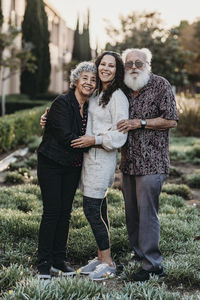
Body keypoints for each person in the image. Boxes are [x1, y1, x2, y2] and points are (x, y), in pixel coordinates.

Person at [117, 48, 178, 282]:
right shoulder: (122, 87)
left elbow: (171, 119)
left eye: (139, 63)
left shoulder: (161, 84)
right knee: (132, 214)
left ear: (147, 65)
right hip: (128, 162)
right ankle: (139, 254)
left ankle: (153, 265)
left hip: (153, 162)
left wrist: (139, 123)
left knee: (147, 214)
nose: (133, 67)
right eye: (129, 63)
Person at [70, 51, 130, 280]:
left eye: (111, 65)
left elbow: (120, 134)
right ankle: (100, 257)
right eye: (102, 64)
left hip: (102, 159)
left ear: (117, 70)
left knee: (92, 210)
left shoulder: (118, 97)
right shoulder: (97, 94)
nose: (105, 68)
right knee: (100, 209)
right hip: (88, 159)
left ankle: (109, 263)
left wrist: (94, 139)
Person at [37, 61, 97, 279]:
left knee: (65, 214)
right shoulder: (62, 102)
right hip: (51, 164)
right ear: (76, 81)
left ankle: (59, 260)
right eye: (85, 78)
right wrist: (98, 141)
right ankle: (43, 263)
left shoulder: (91, 106)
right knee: (52, 212)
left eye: (93, 80)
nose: (89, 83)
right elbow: (66, 137)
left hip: (72, 166)